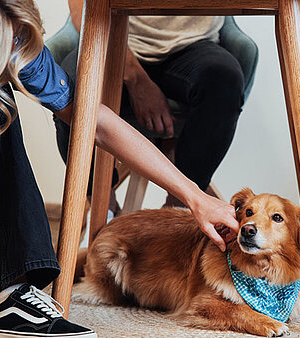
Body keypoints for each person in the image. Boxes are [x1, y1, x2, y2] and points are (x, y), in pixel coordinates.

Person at [0, 0, 238, 338]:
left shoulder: (11, 41)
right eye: (4, 48)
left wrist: (195, 197)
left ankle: (8, 295)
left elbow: (94, 122)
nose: (12, 56)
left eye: (15, 45)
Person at [55, 1, 245, 210]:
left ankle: (178, 212)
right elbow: (80, 6)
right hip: (115, 41)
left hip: (194, 47)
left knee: (224, 81)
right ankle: (104, 211)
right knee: (68, 89)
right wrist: (137, 79)